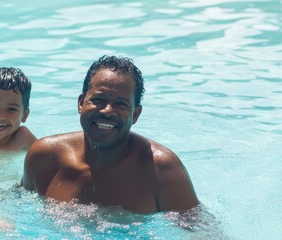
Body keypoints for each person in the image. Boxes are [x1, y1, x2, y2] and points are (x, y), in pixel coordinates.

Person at [22, 55, 199, 214]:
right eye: (98, 100)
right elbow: (16, 208)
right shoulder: (45, 157)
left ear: (135, 114)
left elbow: (200, 232)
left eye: (121, 104)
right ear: (81, 103)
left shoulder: (161, 170)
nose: (107, 111)